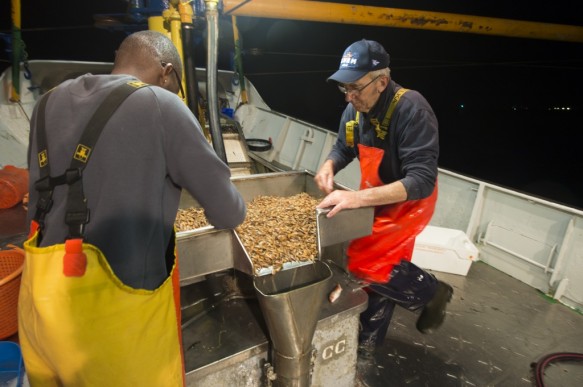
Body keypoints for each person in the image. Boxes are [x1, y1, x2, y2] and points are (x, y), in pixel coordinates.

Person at [19, 30, 246, 386]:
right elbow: (229, 212)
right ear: (166, 72)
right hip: (113, 328)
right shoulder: (161, 104)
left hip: (40, 311)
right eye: (174, 87)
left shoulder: (46, 103)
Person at [314, 39, 453, 357]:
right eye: (344, 89)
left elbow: (421, 181)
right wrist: (329, 164)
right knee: (382, 263)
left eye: (356, 88)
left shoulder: (412, 108)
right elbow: (344, 146)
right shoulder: (354, 110)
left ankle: (431, 292)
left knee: (364, 261)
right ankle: (368, 343)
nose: (349, 97)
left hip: (409, 202)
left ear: (381, 82)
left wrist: (356, 199)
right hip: (375, 196)